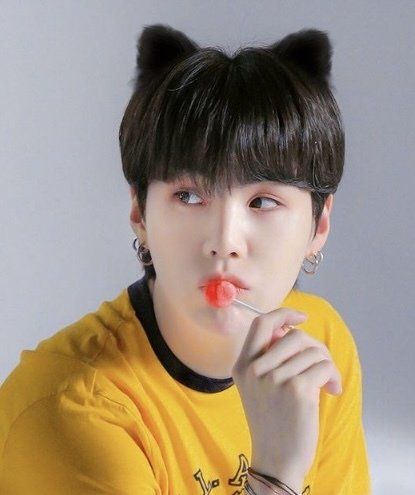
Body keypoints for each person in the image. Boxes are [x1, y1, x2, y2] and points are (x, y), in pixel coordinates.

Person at [0, 24, 370, 494]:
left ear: (319, 225)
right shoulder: (73, 408)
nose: (224, 241)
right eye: (189, 196)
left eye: (262, 202)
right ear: (140, 214)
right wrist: (277, 474)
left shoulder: (318, 346)